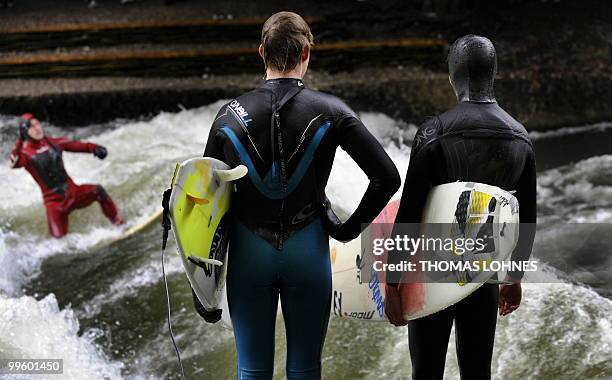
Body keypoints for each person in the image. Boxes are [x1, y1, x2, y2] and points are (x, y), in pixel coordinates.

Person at [202, 11, 400, 379]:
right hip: (307, 249)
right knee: (306, 369)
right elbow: (387, 177)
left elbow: (204, 205)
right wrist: (347, 229)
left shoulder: (227, 117)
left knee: (251, 370)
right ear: (306, 52)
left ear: (261, 52)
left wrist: (204, 287)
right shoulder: (332, 111)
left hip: (248, 255)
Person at [384, 35, 537, 380]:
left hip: (432, 266)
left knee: (425, 371)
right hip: (482, 276)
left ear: (453, 75)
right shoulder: (520, 138)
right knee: (477, 372)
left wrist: (393, 282)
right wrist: (513, 277)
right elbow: (526, 217)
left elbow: (410, 213)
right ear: (493, 74)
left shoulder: (433, 132)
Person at [9, 113, 124, 238]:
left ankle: (119, 224)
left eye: (37, 124)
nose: (37, 128)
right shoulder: (25, 155)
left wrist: (95, 148)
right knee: (58, 243)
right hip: (55, 205)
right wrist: (20, 141)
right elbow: (14, 162)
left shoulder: (54, 143)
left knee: (98, 190)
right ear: (25, 132)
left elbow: (78, 145)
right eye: (31, 127)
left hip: (74, 193)